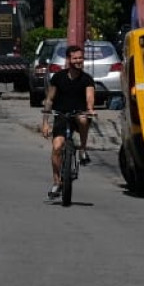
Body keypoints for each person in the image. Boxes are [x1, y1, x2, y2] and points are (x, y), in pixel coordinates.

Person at [44, 42, 97, 201]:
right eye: (75, 58)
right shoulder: (58, 77)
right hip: (61, 115)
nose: (78, 61)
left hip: (78, 114)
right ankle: (56, 182)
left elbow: (89, 98)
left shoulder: (87, 79)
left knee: (83, 119)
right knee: (57, 147)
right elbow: (49, 100)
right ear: (68, 60)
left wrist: (90, 109)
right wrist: (45, 122)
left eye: (81, 58)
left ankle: (82, 150)